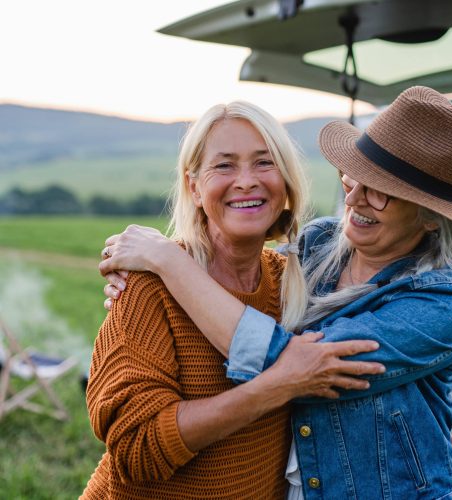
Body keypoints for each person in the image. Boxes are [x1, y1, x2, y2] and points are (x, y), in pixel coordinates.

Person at [100, 86, 452, 499]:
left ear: (432, 217)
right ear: (192, 186)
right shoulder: (318, 244)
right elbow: (241, 260)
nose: (354, 199)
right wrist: (151, 269)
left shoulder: (444, 301)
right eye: (353, 178)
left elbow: (291, 364)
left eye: (380, 191)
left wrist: (169, 261)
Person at [82, 101, 384, 499]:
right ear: (194, 186)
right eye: (224, 166)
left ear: (287, 181)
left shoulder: (293, 282)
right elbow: (136, 449)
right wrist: (273, 388)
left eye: (264, 163)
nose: (246, 181)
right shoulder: (149, 284)